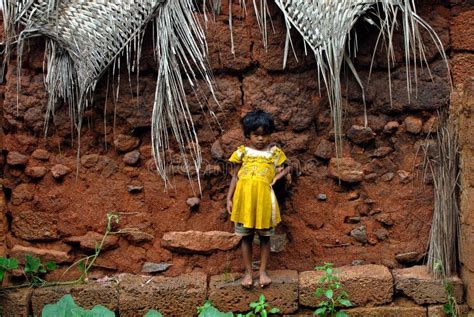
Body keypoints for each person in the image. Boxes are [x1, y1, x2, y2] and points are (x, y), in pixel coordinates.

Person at [226, 110, 291, 288]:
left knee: (265, 237)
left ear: (270, 134)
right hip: (244, 201)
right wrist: (229, 198)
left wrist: (277, 177)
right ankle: (248, 273)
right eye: (256, 135)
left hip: (264, 202)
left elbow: (287, 168)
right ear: (248, 135)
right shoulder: (242, 152)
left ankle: (262, 272)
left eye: (265, 135)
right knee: (245, 237)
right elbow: (235, 176)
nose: (260, 139)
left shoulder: (274, 153)